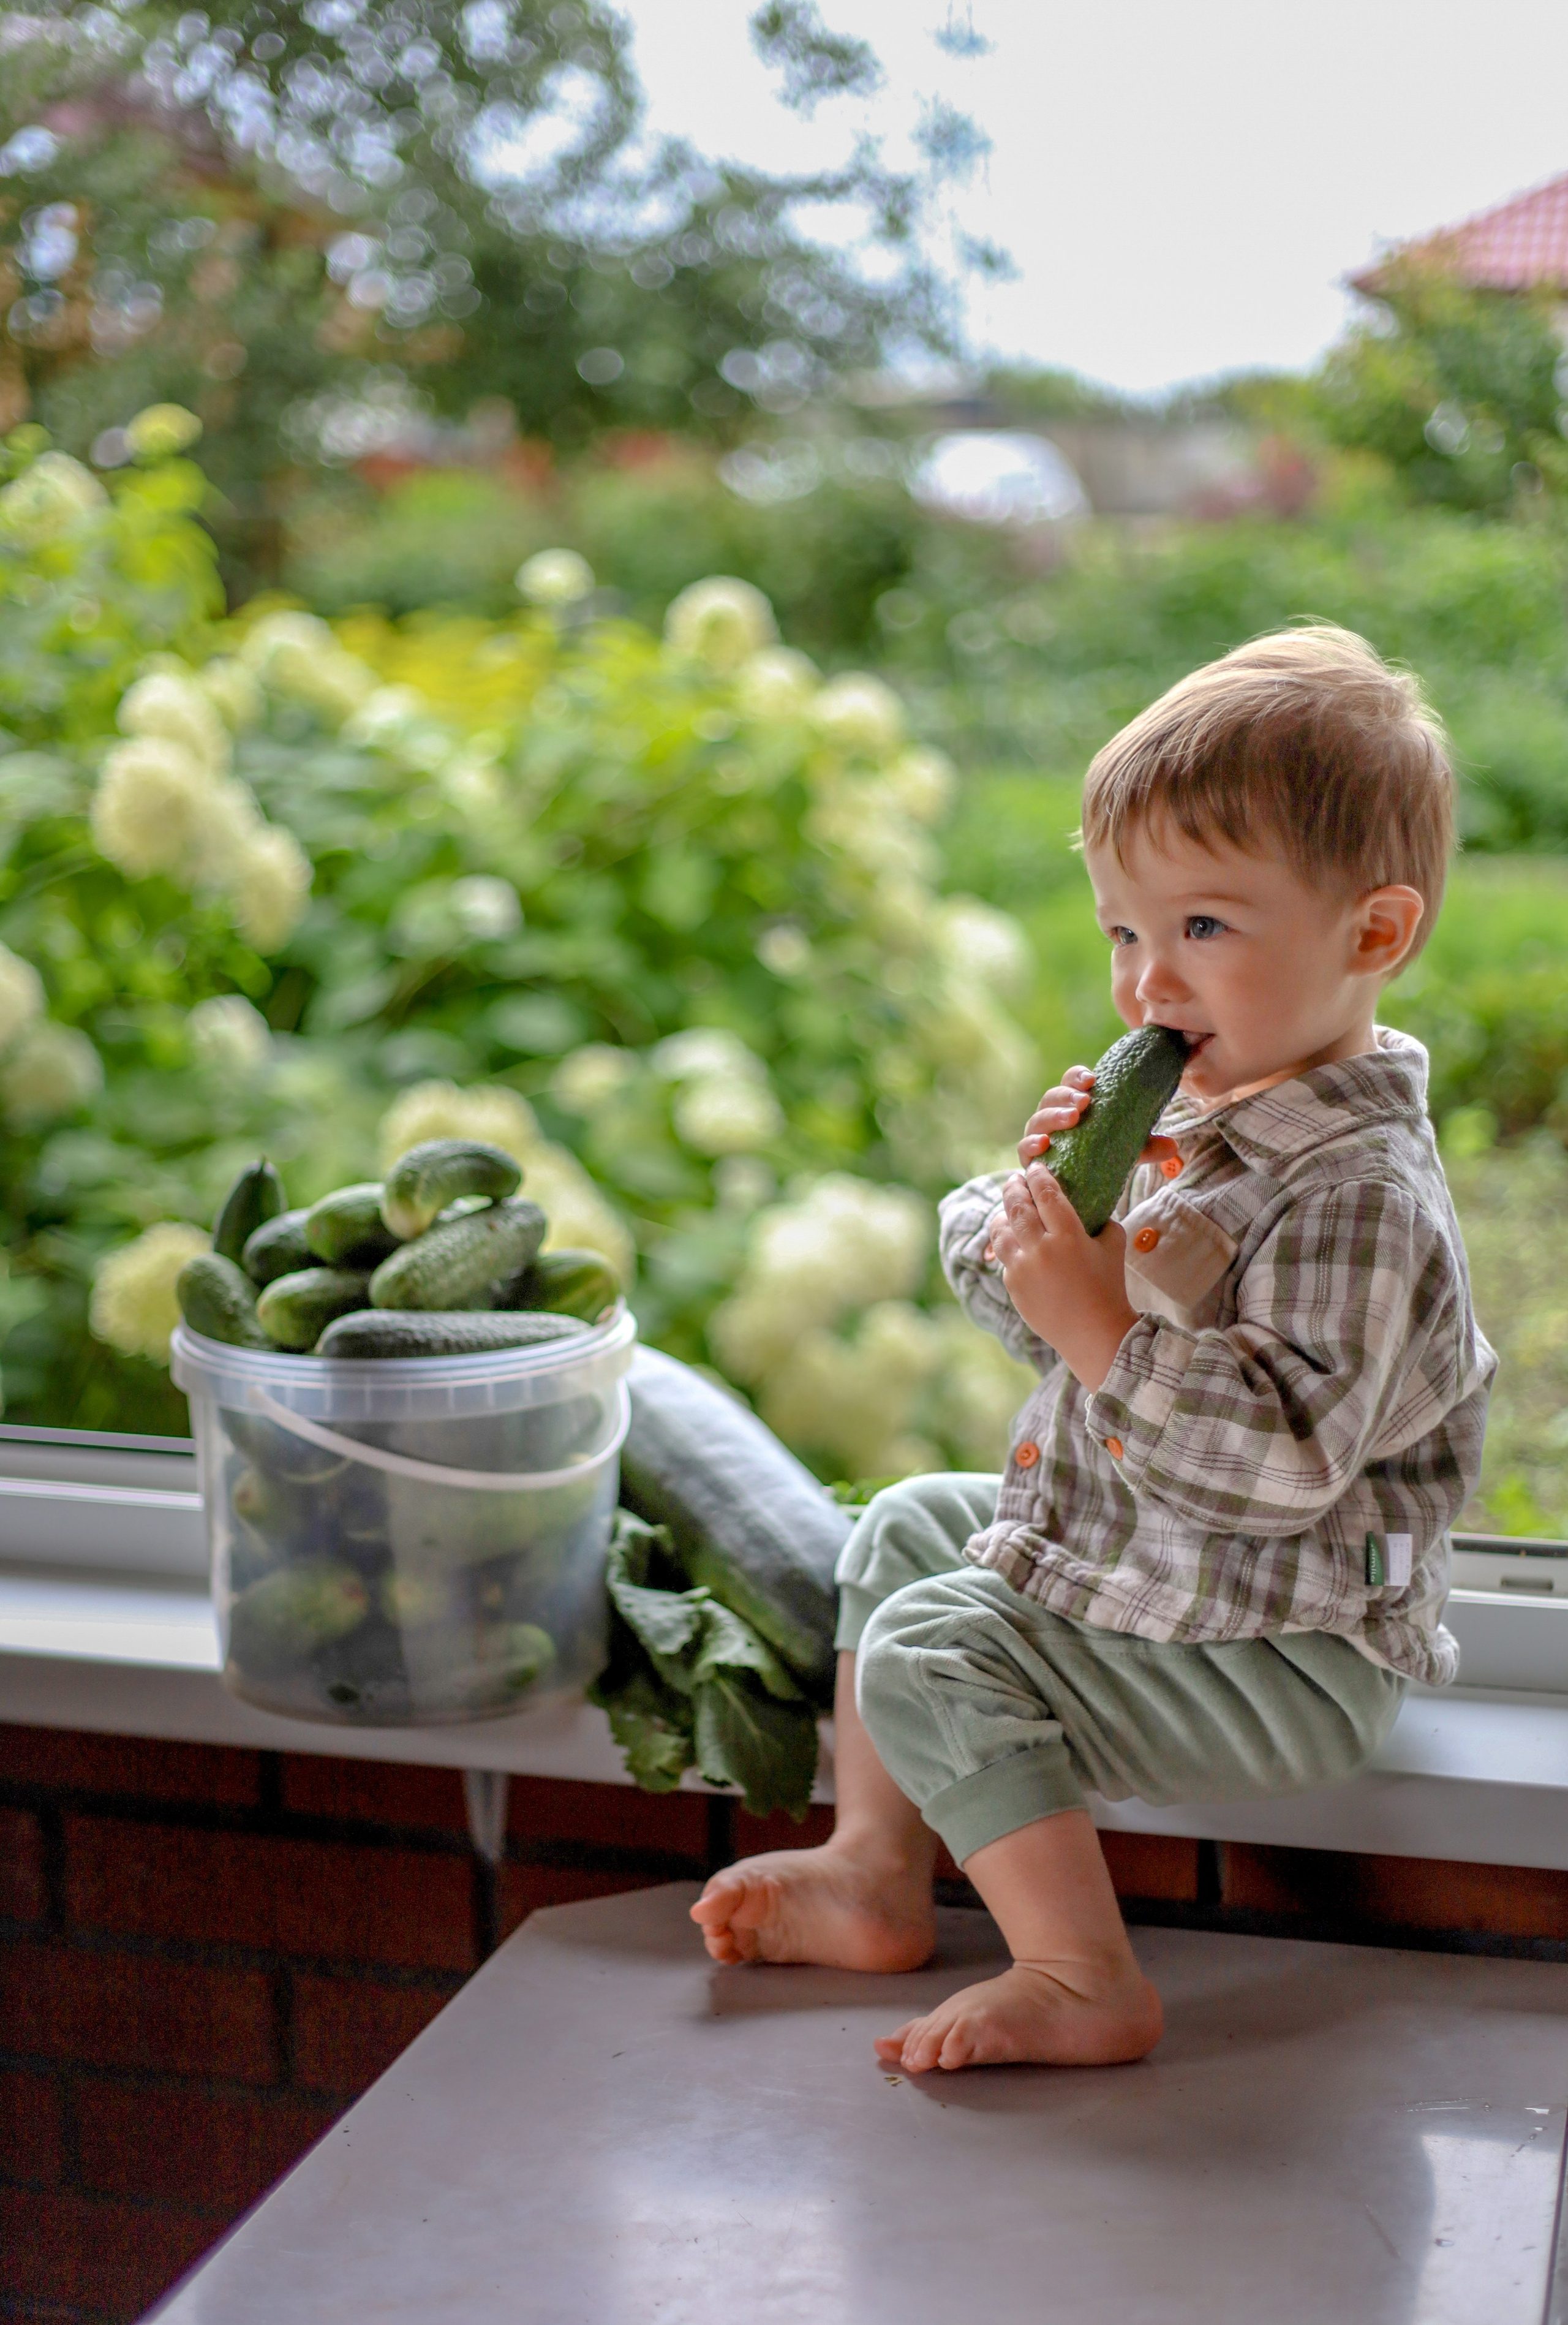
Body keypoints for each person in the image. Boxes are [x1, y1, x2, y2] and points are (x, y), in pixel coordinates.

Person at [690, 624, 1496, 2073]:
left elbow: (1274, 1468)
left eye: (1201, 928)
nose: (1144, 984)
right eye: (1123, 931)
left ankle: (1077, 1972)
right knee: (904, 1525)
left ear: (1371, 934)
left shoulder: (1356, 1195)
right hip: (1189, 1580)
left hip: (1287, 1648)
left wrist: (1101, 1321)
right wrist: (1057, 1218)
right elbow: (1044, 1326)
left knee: (936, 1644)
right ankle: (876, 1867)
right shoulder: (1210, 1118)